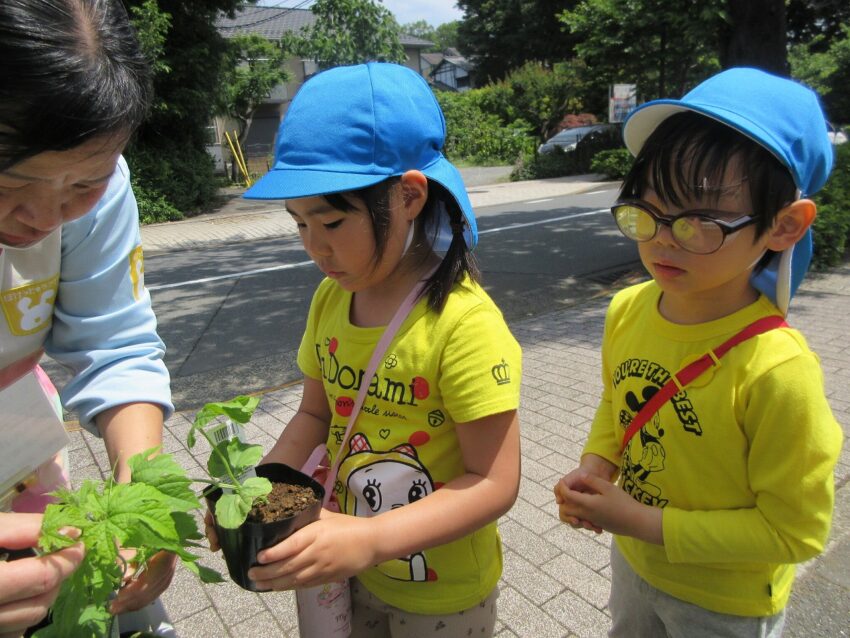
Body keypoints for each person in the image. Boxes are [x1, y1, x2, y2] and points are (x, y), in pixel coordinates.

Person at [208, 62, 522, 637]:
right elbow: (313, 413)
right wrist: (253, 499)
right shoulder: (331, 301)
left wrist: (372, 539)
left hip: (441, 591)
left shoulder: (463, 323)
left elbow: (493, 482)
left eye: (330, 221)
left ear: (408, 196)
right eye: (298, 224)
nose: (314, 247)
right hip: (349, 559)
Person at [553, 67, 844, 637]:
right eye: (648, 207)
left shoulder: (777, 371)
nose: (662, 237)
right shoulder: (629, 310)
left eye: (700, 220)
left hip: (726, 601)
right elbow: (619, 405)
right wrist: (595, 468)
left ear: (784, 226)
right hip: (634, 563)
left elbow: (796, 534)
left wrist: (639, 519)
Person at [0, 0, 176, 634]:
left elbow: (116, 343)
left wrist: (142, 501)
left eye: (84, 184)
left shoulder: (97, 181)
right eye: (8, 185)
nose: (46, 218)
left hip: (21, 471)